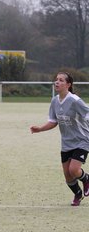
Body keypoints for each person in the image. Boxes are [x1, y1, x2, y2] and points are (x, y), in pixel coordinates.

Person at [30, 71, 89, 206]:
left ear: (68, 85)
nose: (57, 82)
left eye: (61, 80)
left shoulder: (75, 100)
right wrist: (39, 129)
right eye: (56, 79)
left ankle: (86, 179)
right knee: (68, 176)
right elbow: (53, 121)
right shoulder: (54, 101)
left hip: (82, 140)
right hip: (66, 143)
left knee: (74, 170)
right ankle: (77, 194)